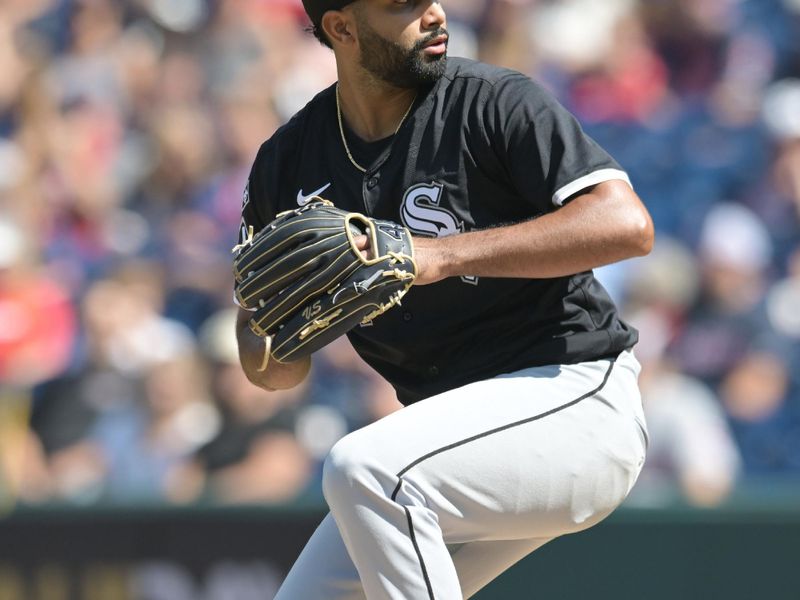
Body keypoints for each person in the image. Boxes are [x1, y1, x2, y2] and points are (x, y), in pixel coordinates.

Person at [235, 1, 654, 598]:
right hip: (451, 446)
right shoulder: (289, 159)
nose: (433, 13)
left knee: (366, 470)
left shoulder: (491, 100)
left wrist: (438, 255)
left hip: (574, 398)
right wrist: (280, 333)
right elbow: (269, 367)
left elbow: (627, 225)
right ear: (342, 27)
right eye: (404, 4)